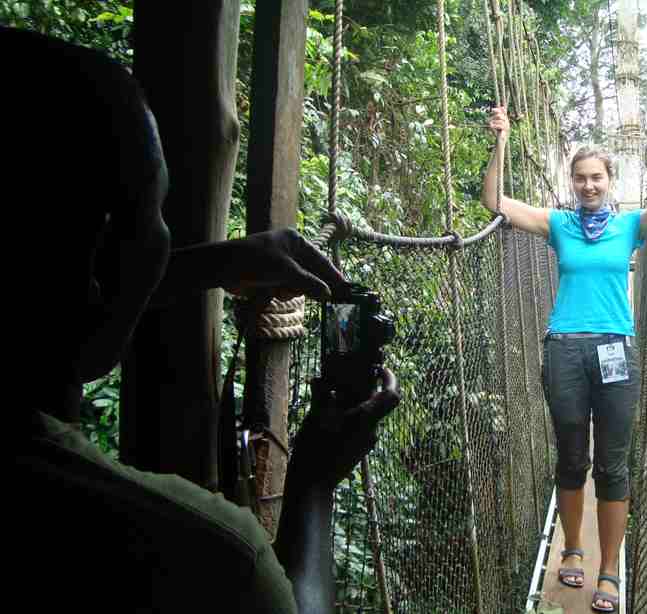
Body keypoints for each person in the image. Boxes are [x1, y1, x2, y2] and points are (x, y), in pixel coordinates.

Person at [5, 26, 399, 613]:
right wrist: (312, 484)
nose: (164, 238)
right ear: (99, 261)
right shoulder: (204, 554)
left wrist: (216, 264)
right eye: (154, 213)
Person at [482, 101, 647, 612]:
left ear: (610, 180)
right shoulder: (559, 224)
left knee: (613, 464)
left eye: (596, 178)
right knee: (572, 458)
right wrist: (501, 140)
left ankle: (608, 569)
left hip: (616, 348)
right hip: (565, 350)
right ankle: (572, 548)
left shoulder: (631, 226)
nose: (588, 186)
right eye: (580, 179)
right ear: (571, 182)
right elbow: (494, 203)